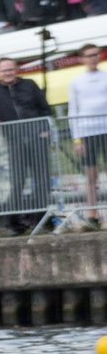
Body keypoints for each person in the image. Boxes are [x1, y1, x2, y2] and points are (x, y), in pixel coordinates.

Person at [0, 54, 54, 228]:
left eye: (10, 69)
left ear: (16, 70)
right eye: (4, 70)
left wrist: (45, 130)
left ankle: (41, 219)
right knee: (17, 181)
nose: (8, 73)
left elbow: (45, 109)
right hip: (14, 142)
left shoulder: (29, 85)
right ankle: (12, 221)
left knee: (42, 180)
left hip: (36, 139)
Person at [66, 43, 107, 224]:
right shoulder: (75, 82)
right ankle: (93, 213)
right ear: (82, 59)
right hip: (88, 132)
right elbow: (72, 111)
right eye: (89, 55)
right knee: (91, 175)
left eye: (95, 54)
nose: (93, 58)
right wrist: (77, 139)